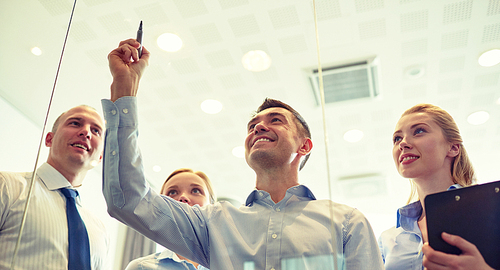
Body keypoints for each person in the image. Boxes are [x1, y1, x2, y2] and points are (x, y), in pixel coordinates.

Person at [102, 38, 383, 270]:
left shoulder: (346, 222)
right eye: (253, 125)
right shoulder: (212, 222)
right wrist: (124, 89)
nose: (260, 126)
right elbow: (127, 199)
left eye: (276, 120)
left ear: (304, 146)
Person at [378, 103, 494, 270]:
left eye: (419, 131)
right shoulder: (388, 239)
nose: (403, 143)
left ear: (453, 147)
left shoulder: (491, 211)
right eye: (397, 138)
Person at [0, 105, 109, 269]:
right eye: (75, 123)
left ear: (100, 157)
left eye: (96, 131)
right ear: (49, 139)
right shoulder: (7, 186)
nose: (86, 132)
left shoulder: (99, 229)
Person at [125, 168, 213, 270]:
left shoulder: (230, 265)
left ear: (211, 206)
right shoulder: (140, 267)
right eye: (172, 192)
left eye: (196, 191)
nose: (183, 197)